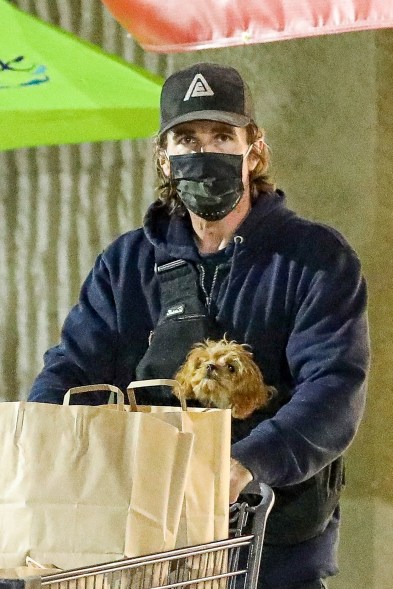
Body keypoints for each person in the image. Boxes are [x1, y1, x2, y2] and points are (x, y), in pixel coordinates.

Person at [29, 62, 370, 589]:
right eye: (187, 138)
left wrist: (246, 465)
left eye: (221, 136)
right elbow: (74, 367)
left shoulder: (314, 259)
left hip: (271, 551)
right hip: (145, 551)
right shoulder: (127, 265)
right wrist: (36, 439)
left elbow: (334, 389)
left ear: (253, 148)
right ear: (164, 157)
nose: (204, 152)